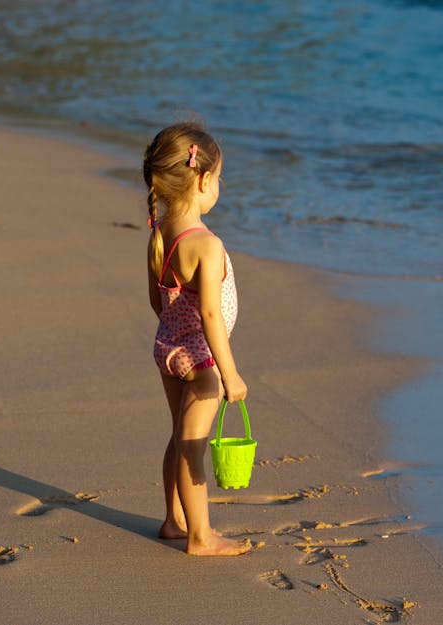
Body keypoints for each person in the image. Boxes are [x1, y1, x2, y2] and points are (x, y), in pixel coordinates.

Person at [143, 122, 251, 556]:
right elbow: (209, 313)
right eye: (219, 178)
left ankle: (174, 520)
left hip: (168, 346)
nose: (218, 185)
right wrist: (229, 373)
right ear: (203, 180)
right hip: (201, 359)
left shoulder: (160, 232)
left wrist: (175, 332)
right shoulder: (206, 244)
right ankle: (201, 537)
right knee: (192, 446)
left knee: (178, 436)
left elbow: (157, 299)